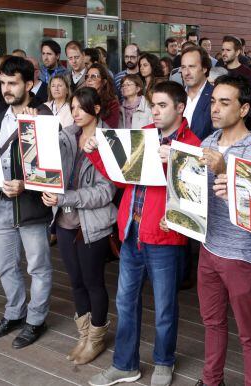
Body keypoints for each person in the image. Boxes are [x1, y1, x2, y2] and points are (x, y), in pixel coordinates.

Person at [86, 81, 200, 386]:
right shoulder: (144, 134)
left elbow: (193, 198)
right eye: (154, 105)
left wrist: (175, 160)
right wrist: (97, 154)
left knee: (164, 306)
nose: (157, 111)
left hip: (164, 237)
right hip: (131, 230)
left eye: (163, 105)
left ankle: (164, 361)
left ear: (180, 107)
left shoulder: (192, 143)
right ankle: (125, 364)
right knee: (125, 302)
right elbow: (122, 182)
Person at [191, 74, 251, 386]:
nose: (215, 109)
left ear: (243, 109)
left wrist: (224, 168)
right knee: (212, 322)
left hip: (242, 254)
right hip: (209, 248)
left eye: (225, 102)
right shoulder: (208, 142)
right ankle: (211, 380)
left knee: (250, 334)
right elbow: (197, 193)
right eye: (213, 101)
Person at [42, 86, 118, 365]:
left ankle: (96, 339)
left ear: (96, 110)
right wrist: (47, 189)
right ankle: (83, 334)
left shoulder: (108, 141)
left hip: (92, 224)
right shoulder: (67, 136)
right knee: (75, 282)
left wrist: (66, 196)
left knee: (93, 282)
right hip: (63, 219)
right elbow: (49, 168)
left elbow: (105, 192)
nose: (74, 113)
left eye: (80, 108)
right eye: (71, 107)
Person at [0, 56, 53, 349]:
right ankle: (14, 312)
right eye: (4, 83)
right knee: (4, 265)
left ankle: (36, 320)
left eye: (13, 83)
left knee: (38, 267)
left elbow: (51, 167)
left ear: (28, 84)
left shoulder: (44, 115)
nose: (7, 89)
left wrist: (26, 184)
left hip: (30, 204)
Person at [180, 46, 215, 140]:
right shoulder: (176, 95)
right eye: (183, 67)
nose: (186, 73)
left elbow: (218, 135)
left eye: (191, 67)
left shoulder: (215, 96)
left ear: (204, 68)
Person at [85, 63, 120, 128]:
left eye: (93, 76)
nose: (89, 80)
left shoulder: (112, 104)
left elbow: (110, 130)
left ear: (104, 82)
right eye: (87, 76)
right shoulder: (82, 100)